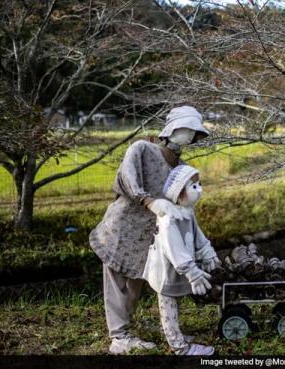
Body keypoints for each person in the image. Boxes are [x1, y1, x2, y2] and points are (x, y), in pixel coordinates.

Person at [89, 106, 211, 354]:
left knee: (137, 283)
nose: (190, 136)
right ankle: (119, 337)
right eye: (186, 129)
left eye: (194, 132)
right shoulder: (142, 149)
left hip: (150, 236)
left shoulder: (182, 168)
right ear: (172, 129)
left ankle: (131, 328)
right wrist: (149, 201)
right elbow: (127, 178)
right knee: (116, 284)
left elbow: (184, 204)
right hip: (122, 227)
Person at [142, 165, 220, 355]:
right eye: (194, 186)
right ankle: (179, 347)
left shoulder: (186, 213)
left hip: (177, 271)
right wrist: (192, 273)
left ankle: (174, 332)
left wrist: (206, 252)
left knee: (175, 303)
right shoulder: (169, 218)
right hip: (166, 272)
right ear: (179, 191)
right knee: (168, 305)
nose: (199, 189)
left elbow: (197, 235)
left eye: (199, 184)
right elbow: (174, 249)